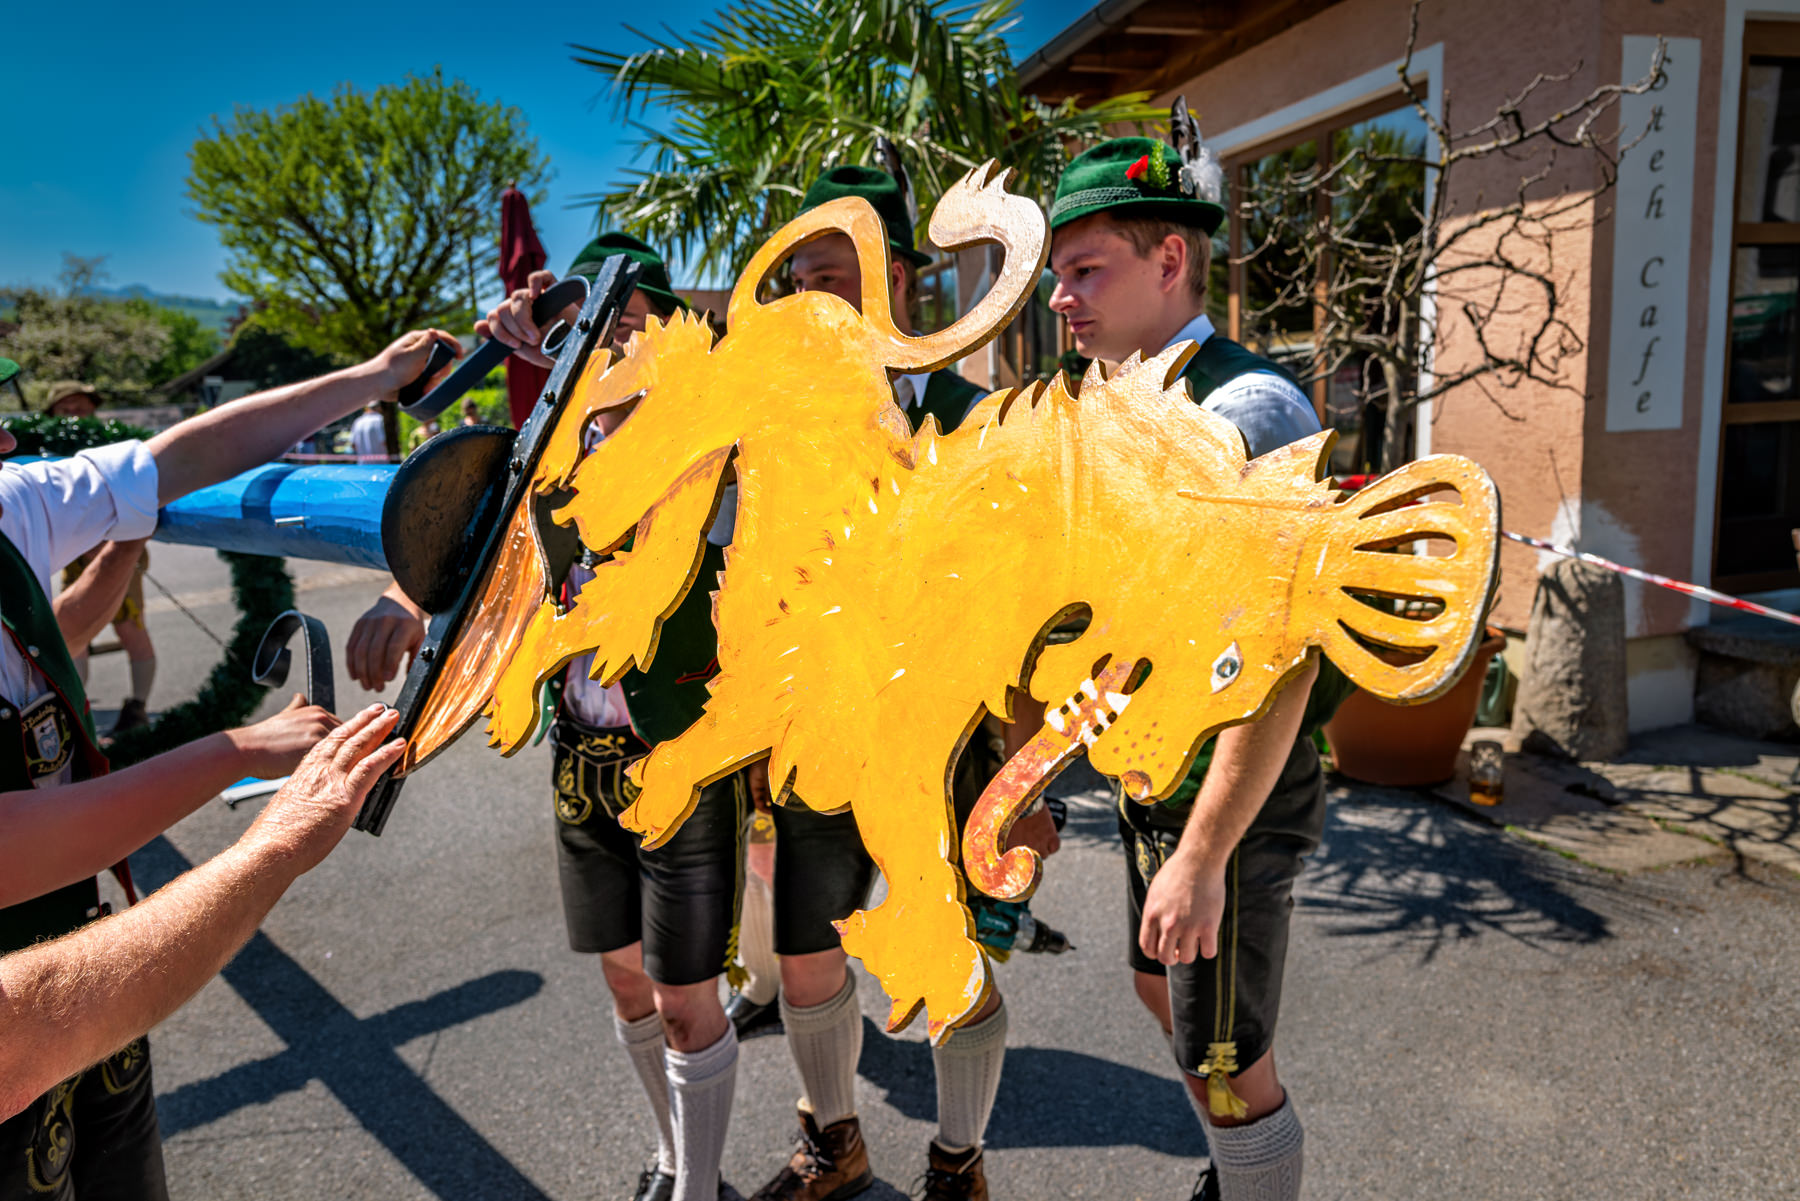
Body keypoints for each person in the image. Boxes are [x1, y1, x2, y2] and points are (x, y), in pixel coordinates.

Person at [0, 329, 460, 1199]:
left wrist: (371, 377)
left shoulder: (7, 501)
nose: (10, 438)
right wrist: (239, 754)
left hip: (83, 959)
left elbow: (185, 455)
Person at [350, 234, 746, 1201]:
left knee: (686, 999)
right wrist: (405, 601)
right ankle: (672, 1153)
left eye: (628, 321)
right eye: (588, 326)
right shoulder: (546, 450)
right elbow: (470, 537)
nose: (608, 341)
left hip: (678, 754)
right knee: (625, 982)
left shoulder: (712, 433)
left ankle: (698, 1189)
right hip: (579, 753)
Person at [1044, 135, 1352, 1201]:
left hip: (1233, 792)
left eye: (1087, 271)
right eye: (1059, 274)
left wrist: (1205, 853)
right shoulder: (1114, 400)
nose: (1060, 298)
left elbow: (1281, 664)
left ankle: (1249, 1176)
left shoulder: (1245, 412)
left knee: (1226, 1067)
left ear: (1169, 260)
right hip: (1154, 771)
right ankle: (1237, 1173)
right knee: (1161, 989)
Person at [743, 164, 1058, 1201]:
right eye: (799, 282)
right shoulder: (786, 430)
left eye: (831, 278)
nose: (811, 302)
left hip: (952, 742)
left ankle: (958, 1160)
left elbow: (1024, 614)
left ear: (903, 282)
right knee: (805, 954)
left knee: (952, 962)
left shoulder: (981, 418)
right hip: (821, 729)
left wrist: (1027, 776)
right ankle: (835, 1140)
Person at [0, 705, 406, 1121]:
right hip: (54, 1063)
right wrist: (278, 841)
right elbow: (13, 1040)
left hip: (105, 1050)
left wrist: (241, 750)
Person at [59, 542, 156, 734]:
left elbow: (148, 522)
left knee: (129, 629)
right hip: (76, 556)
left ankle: (137, 709)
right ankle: (74, 711)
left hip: (120, 549)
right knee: (72, 634)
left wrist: (111, 544)